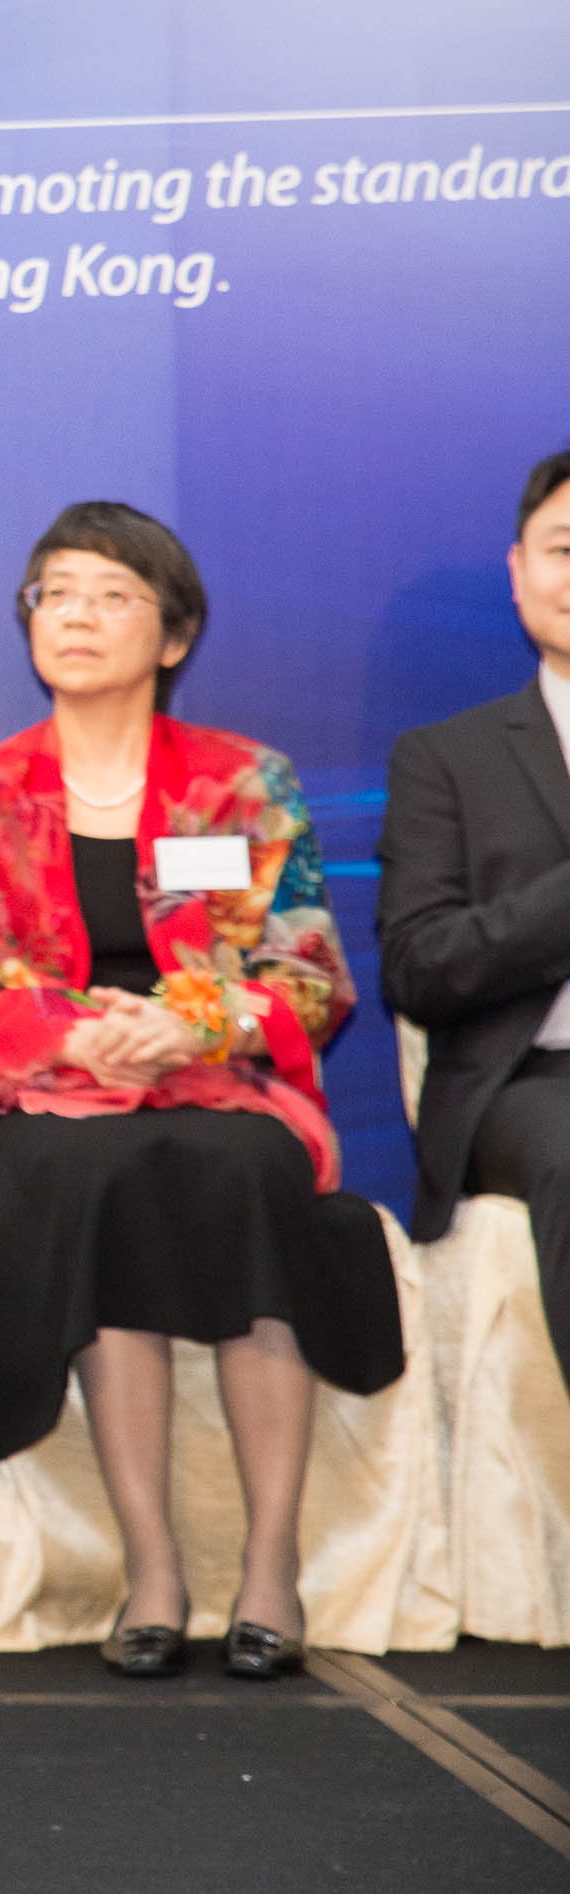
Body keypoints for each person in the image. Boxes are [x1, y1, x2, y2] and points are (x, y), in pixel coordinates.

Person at [0, 501, 402, 1681]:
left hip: (222, 1089)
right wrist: (86, 1041)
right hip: (47, 1101)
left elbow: (306, 973)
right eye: (53, 592)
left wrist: (187, 1027)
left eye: (110, 595)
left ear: (172, 635)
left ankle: (269, 1564)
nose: (74, 614)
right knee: (92, 1177)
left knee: (238, 1177)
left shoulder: (242, 784)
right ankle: (153, 1570)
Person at [382, 445, 570, 1384]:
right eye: (565, 548)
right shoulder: (446, 759)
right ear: (519, 572)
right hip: (533, 1082)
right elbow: (417, 967)